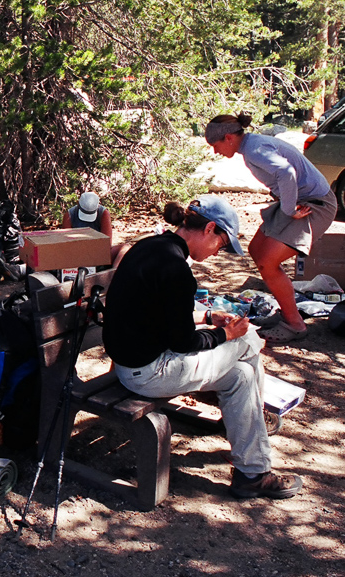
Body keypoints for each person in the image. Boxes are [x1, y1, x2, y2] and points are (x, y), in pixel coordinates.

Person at [102, 196, 303, 500]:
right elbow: (183, 342)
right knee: (249, 339)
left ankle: (252, 472)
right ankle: (255, 420)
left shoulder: (151, 246)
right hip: (148, 373)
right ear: (209, 228)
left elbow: (160, 315)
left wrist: (208, 317)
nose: (217, 252)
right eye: (221, 244)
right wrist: (225, 334)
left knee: (242, 376)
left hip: (131, 362)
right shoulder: (175, 268)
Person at [205, 113, 337, 342]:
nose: (215, 151)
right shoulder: (251, 146)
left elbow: (287, 172)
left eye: (215, 145)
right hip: (297, 201)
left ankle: (295, 324)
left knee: (268, 261)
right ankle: (286, 310)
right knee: (256, 250)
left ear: (228, 138)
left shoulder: (254, 149)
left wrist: (289, 210)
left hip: (315, 205)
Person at [60, 190, 129, 267]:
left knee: (126, 248)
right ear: (78, 204)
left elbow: (107, 242)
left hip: (99, 253)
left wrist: (95, 253)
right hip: (76, 254)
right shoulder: (70, 214)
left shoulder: (103, 213)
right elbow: (67, 244)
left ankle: (115, 270)